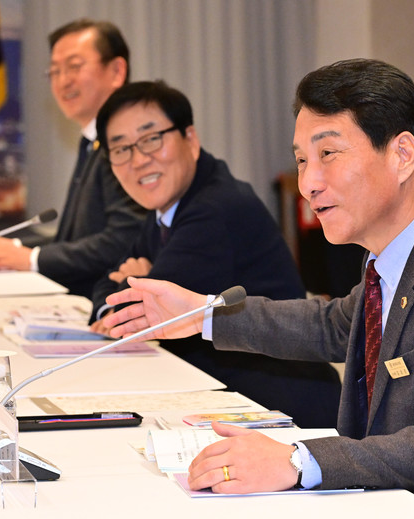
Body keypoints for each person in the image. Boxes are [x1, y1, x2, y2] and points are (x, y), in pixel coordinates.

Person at [103, 59, 414, 519]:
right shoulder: (394, 252)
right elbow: (334, 325)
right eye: (301, 160)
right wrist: (200, 313)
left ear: (402, 155)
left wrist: (296, 460)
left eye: (328, 154)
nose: (308, 183)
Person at [89, 80, 341, 428]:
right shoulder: (168, 205)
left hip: (279, 408)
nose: (139, 160)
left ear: (190, 139)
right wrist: (131, 282)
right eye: (121, 149)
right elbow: (109, 286)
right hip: (219, 396)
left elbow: (137, 313)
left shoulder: (216, 207)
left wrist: (131, 282)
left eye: (151, 139)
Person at [0, 19, 146, 299]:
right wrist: (14, 247)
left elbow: (123, 241)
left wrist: (32, 258)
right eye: (55, 71)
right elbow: (75, 239)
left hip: (106, 303)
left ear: (117, 71)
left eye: (74, 66)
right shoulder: (93, 139)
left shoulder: (127, 144)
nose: (63, 80)